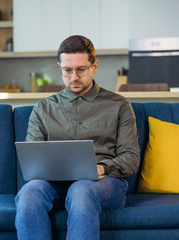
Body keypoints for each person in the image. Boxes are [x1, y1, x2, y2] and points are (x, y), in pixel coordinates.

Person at [15, 35, 140, 240]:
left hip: (104, 183)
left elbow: (131, 158)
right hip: (54, 183)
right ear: (60, 68)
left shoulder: (119, 105)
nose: (74, 77)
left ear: (95, 66)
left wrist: (101, 168)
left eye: (81, 70)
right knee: (29, 193)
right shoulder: (43, 108)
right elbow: (33, 160)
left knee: (81, 190)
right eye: (67, 70)